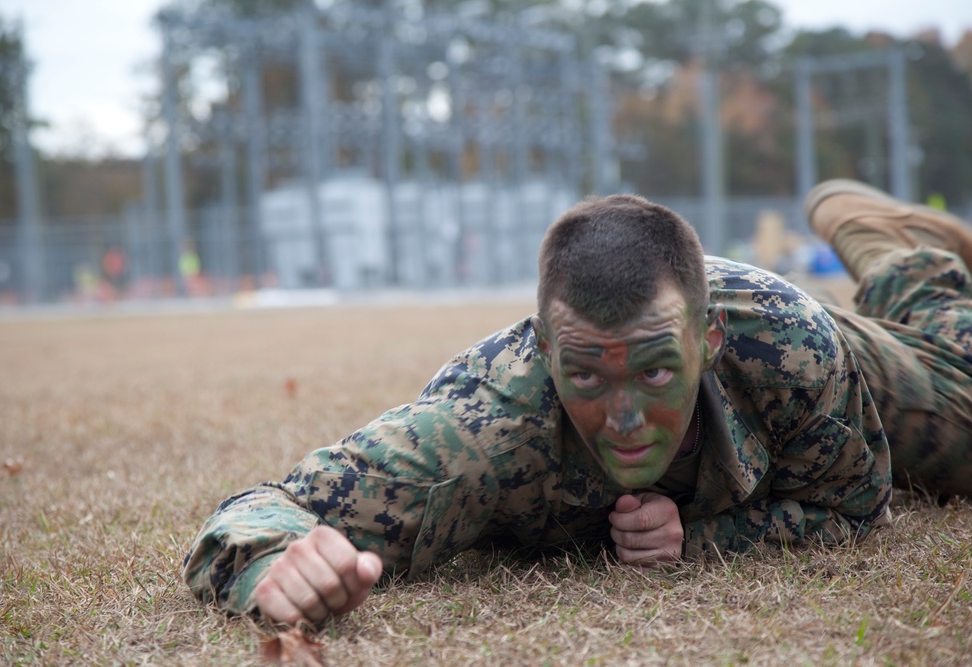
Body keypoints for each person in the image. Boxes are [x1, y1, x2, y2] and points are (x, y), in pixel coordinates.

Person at [183, 180, 972, 628]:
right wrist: (267, 569)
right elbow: (263, 509)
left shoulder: (785, 348)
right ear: (546, 351)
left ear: (708, 342)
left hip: (801, 324)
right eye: (589, 377)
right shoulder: (485, 424)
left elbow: (857, 502)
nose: (625, 416)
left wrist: (701, 538)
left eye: (657, 375)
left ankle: (891, 250)